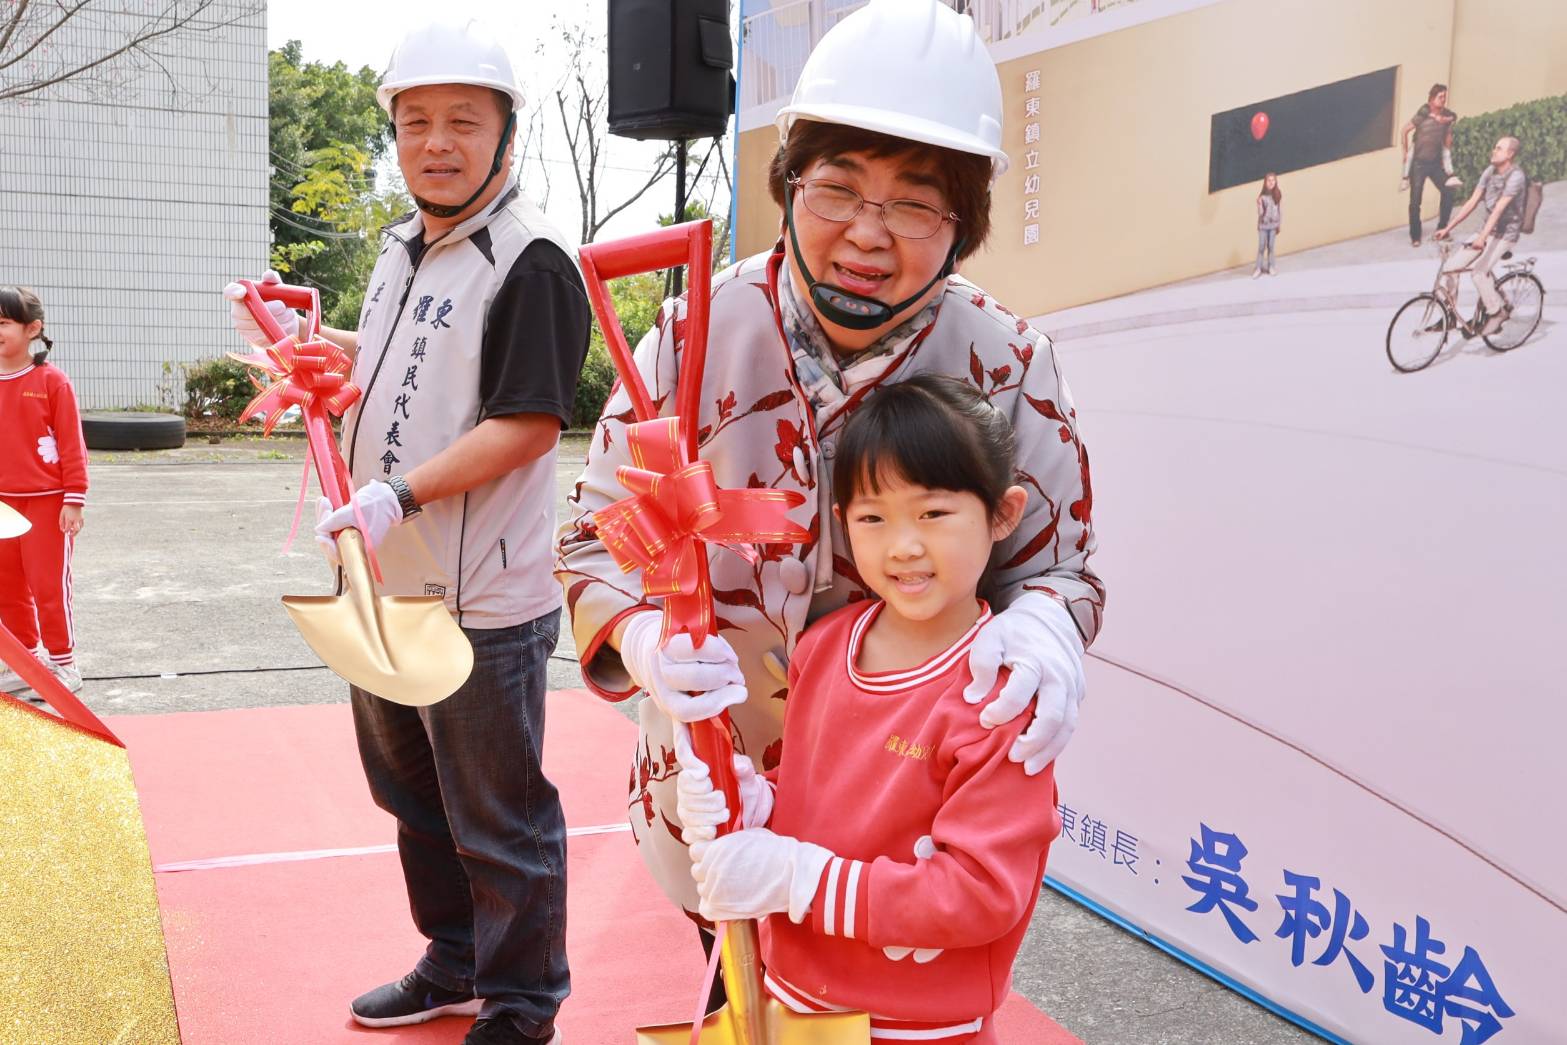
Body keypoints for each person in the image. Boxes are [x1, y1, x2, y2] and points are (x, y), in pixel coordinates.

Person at [556, 0, 1101, 1003]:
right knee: (738, 991)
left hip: (905, 823)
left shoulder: (1010, 364)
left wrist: (1048, 628)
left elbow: (1060, 567)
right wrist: (637, 642)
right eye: (837, 189)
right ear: (789, 179)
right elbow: (594, 544)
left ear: (965, 222)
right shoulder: (692, 334)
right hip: (716, 789)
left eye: (913, 206)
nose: (865, 234)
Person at [222, 20, 589, 1045]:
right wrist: (307, 341)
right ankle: (454, 957)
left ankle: (522, 1002)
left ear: (504, 137)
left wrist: (399, 493)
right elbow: (389, 368)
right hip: (381, 579)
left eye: (462, 123)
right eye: (414, 121)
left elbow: (524, 423)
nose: (435, 142)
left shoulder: (532, 262)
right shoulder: (399, 248)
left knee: (500, 816)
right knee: (411, 795)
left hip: (477, 601)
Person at [676, 375, 1061, 1042]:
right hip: (789, 999)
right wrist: (757, 804)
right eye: (873, 517)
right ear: (840, 522)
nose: (903, 545)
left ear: (1002, 513)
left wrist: (799, 877)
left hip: (919, 1026)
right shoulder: (824, 645)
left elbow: (979, 893)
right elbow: (818, 791)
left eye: (933, 513)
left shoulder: (1001, 697)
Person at [0, 287, 88, 698]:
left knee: (47, 585)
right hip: (3, 503)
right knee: (8, 587)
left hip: (47, 501)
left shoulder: (52, 381)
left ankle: (64, 663)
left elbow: (72, 445)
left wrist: (74, 499)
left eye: (3, 323)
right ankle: (25, 660)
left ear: (32, 328)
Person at [1434, 136, 1527, 338]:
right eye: (1494, 147)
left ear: (1510, 154)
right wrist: (1447, 227)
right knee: (1450, 268)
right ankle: (1449, 316)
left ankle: (1497, 312)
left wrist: (1482, 238)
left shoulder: (1516, 177)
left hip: (1505, 234)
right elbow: (1472, 202)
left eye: (1499, 148)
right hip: (1487, 230)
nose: (1494, 151)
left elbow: (1499, 210)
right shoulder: (1489, 171)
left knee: (1478, 273)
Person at [1402, 84, 1461, 247]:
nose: (1443, 100)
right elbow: (1404, 131)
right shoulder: (1423, 112)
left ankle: (1442, 228)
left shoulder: (1448, 114)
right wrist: (1405, 154)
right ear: (1432, 98)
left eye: (1445, 97)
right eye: (1440, 97)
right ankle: (1415, 235)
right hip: (1418, 164)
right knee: (1415, 201)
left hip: (1434, 163)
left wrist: (1447, 149)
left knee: (1448, 191)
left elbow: (1448, 132)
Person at [1254, 172, 1282, 278]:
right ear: (1265, 182)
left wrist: (1279, 223)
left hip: (1273, 225)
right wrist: (1259, 204)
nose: (1271, 183)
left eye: (1273, 180)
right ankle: (1258, 267)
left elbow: (1280, 210)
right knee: (1261, 246)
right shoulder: (1262, 196)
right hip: (1263, 225)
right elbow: (1261, 214)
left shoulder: (1278, 195)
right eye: (1269, 180)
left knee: (1271, 246)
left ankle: (1271, 266)